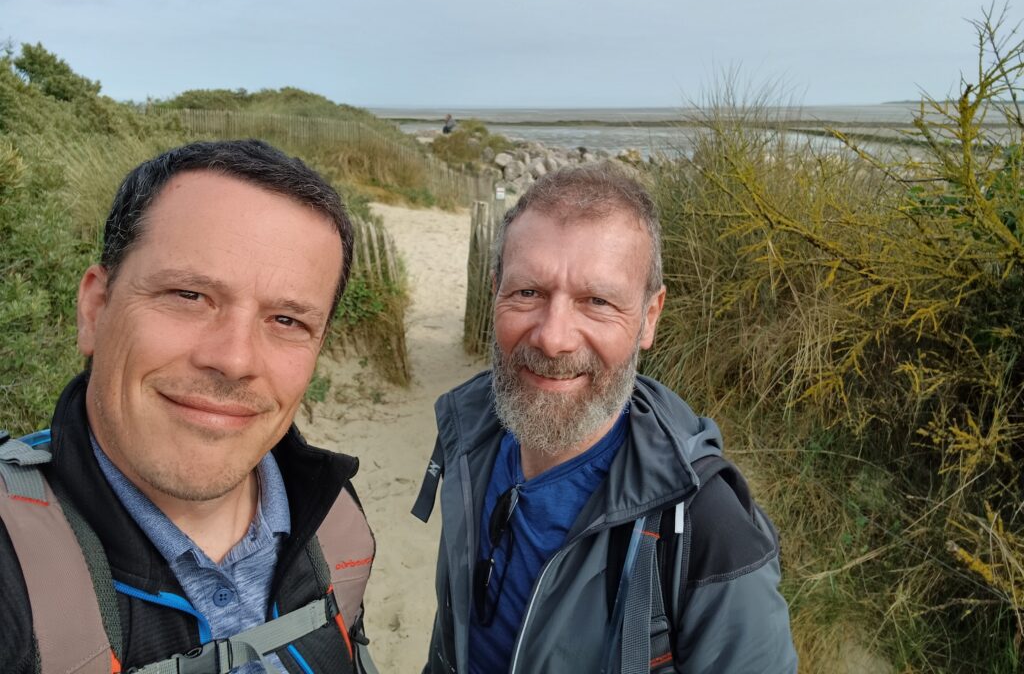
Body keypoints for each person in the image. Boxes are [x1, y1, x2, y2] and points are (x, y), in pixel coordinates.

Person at [0, 140, 377, 673]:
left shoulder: (335, 521)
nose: (234, 359)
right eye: (188, 295)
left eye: (287, 320)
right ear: (95, 309)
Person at [413, 164, 797, 673]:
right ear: (495, 291)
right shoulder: (470, 436)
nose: (553, 338)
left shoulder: (710, 534)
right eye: (528, 292)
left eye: (597, 301)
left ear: (649, 317)